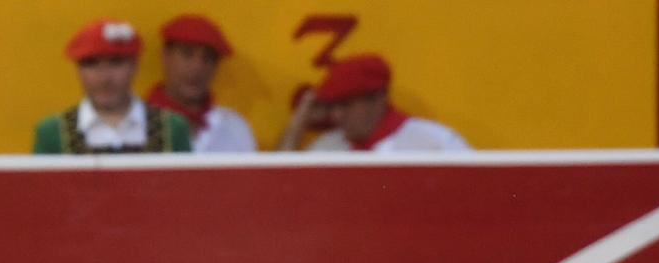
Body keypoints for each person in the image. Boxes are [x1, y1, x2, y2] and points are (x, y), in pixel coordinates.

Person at [33, 20, 192, 154]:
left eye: (116, 63)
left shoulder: (173, 128)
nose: (104, 78)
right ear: (79, 71)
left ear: (134, 66)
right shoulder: (53, 133)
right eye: (92, 64)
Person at [278, 53, 470, 153]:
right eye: (333, 105)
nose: (336, 115)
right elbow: (279, 191)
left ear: (379, 99)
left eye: (346, 104)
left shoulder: (434, 143)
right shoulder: (328, 146)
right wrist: (299, 123)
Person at [145, 14, 257, 153]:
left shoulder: (235, 128)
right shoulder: (132, 126)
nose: (197, 67)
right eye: (187, 54)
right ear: (165, 56)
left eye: (208, 58)